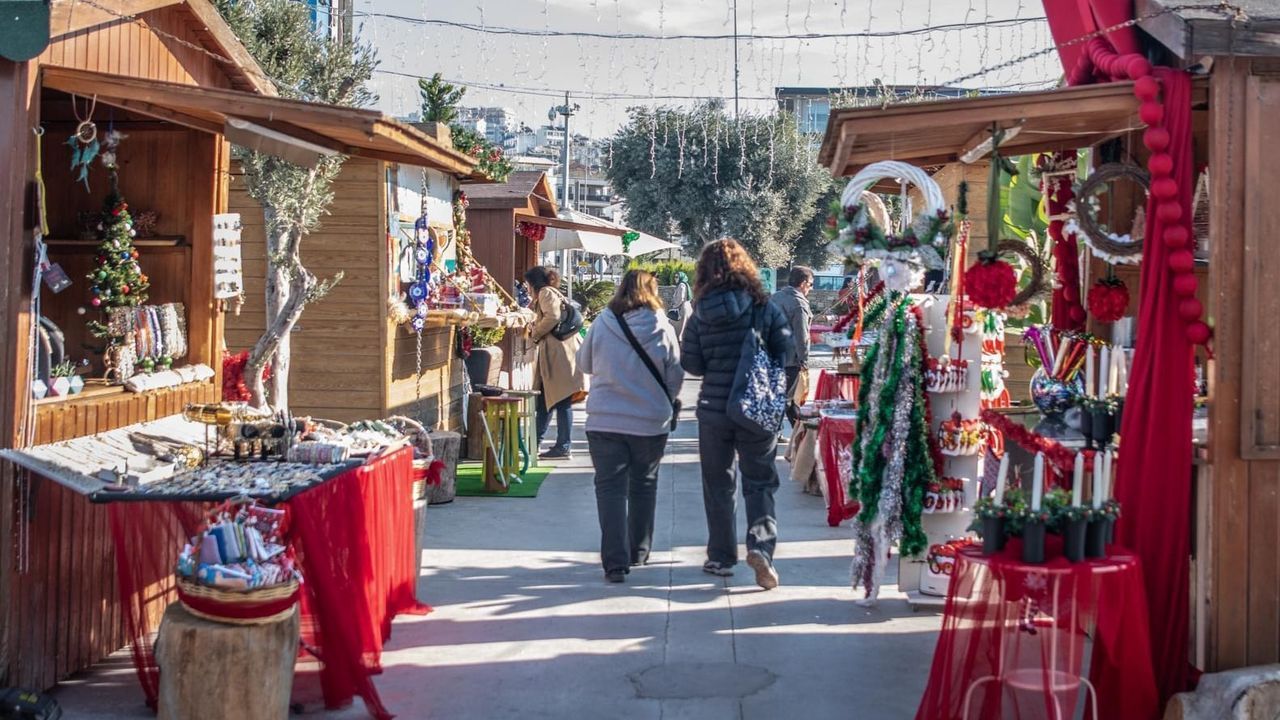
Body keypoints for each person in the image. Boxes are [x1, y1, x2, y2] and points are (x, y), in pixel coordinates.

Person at [681, 239, 791, 590]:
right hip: (756, 409)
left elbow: (691, 363)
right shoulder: (765, 308)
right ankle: (761, 548)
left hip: (714, 411)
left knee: (718, 484)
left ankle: (721, 556)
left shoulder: (700, 312)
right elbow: (786, 351)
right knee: (760, 483)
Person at [578, 270, 684, 583]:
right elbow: (675, 374)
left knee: (609, 488)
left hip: (604, 419)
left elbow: (584, 364)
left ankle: (614, 563)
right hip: (650, 421)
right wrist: (663, 399)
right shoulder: (662, 325)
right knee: (644, 484)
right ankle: (638, 550)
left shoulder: (603, 322)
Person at [526, 266, 587, 459]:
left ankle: (562, 446)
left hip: (559, 354)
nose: (527, 288)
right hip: (560, 353)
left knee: (561, 400)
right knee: (547, 400)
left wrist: (535, 333)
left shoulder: (545, 292)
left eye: (528, 284)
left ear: (533, 283)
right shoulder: (552, 293)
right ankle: (535, 443)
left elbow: (552, 316)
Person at [771, 266, 814, 431]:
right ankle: (798, 434)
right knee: (788, 399)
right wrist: (804, 360)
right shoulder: (799, 304)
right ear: (803, 283)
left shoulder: (775, 297)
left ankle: (789, 432)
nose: (811, 288)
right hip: (790, 359)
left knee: (780, 397)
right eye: (810, 284)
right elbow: (801, 337)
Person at [670, 270, 694, 338]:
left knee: (678, 326)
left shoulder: (681, 285)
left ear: (681, 277)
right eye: (675, 277)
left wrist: (674, 306)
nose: (675, 278)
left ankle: (678, 339)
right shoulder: (684, 284)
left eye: (677, 277)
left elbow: (681, 298)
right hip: (685, 307)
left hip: (681, 309)